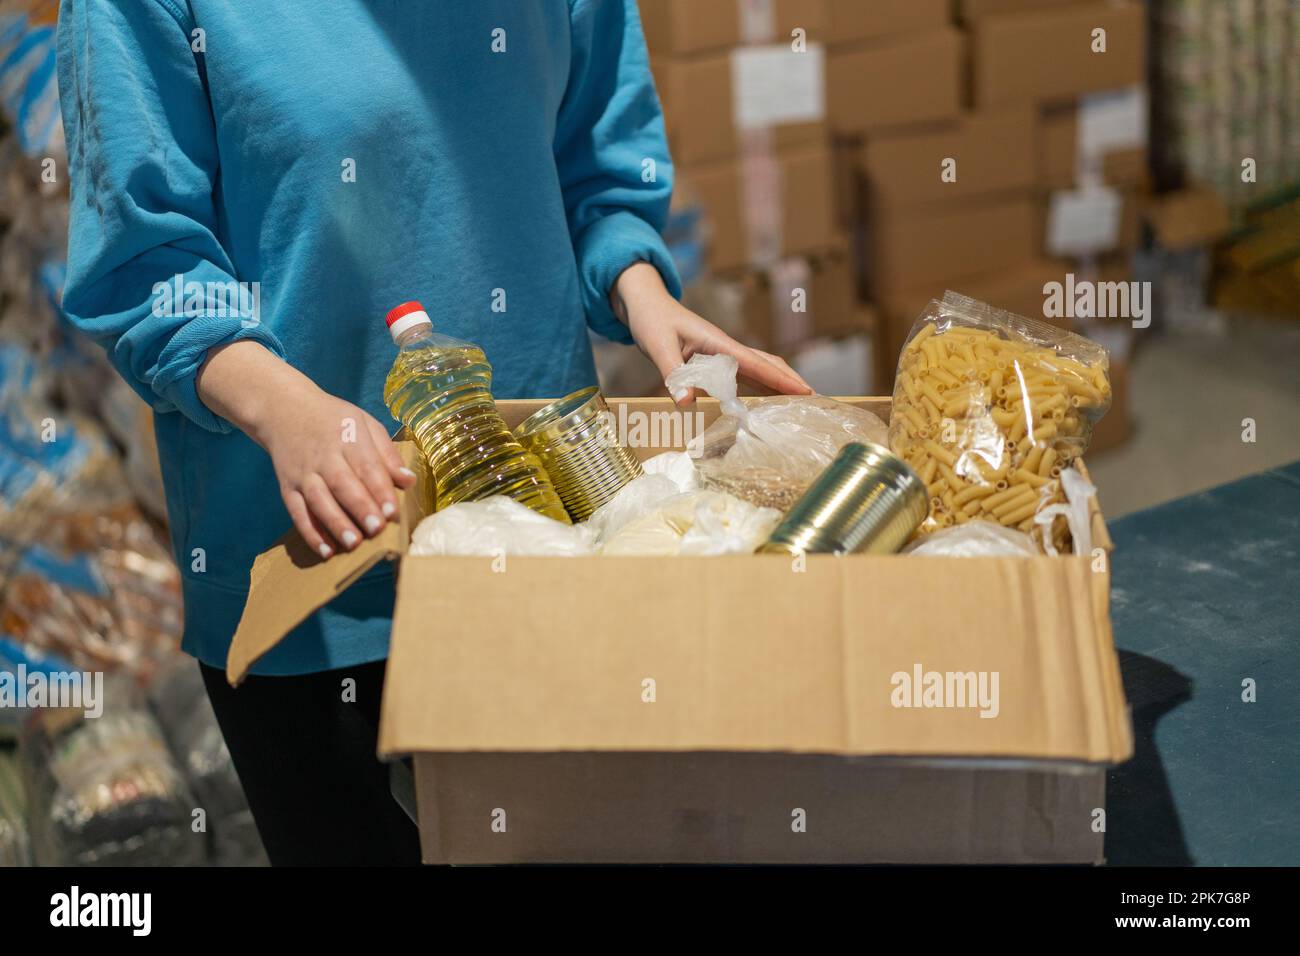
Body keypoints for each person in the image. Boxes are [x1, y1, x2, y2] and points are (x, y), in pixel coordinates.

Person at [57, 0, 810, 865]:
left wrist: (642, 290)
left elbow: (596, 160)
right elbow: (146, 262)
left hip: (557, 537)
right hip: (316, 577)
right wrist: (283, 406)